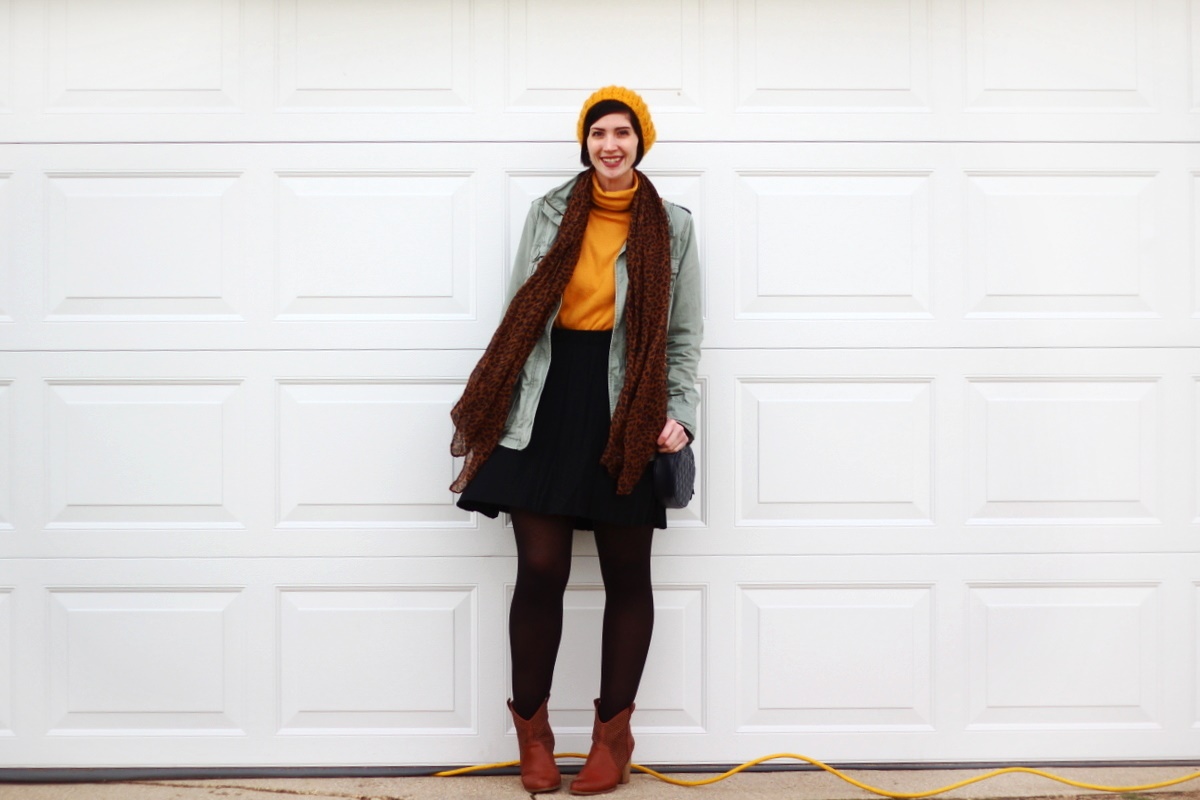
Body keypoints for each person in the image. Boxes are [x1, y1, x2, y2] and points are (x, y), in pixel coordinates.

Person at [449, 85, 702, 796]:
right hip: (547, 395)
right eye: (598, 134)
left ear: (639, 143)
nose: (609, 145)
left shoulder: (673, 226)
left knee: (628, 574)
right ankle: (532, 735)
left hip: (627, 402)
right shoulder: (550, 212)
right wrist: (500, 399)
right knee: (541, 571)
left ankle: (612, 739)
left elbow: (682, 335)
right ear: (585, 144)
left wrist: (677, 410)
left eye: (622, 133)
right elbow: (517, 310)